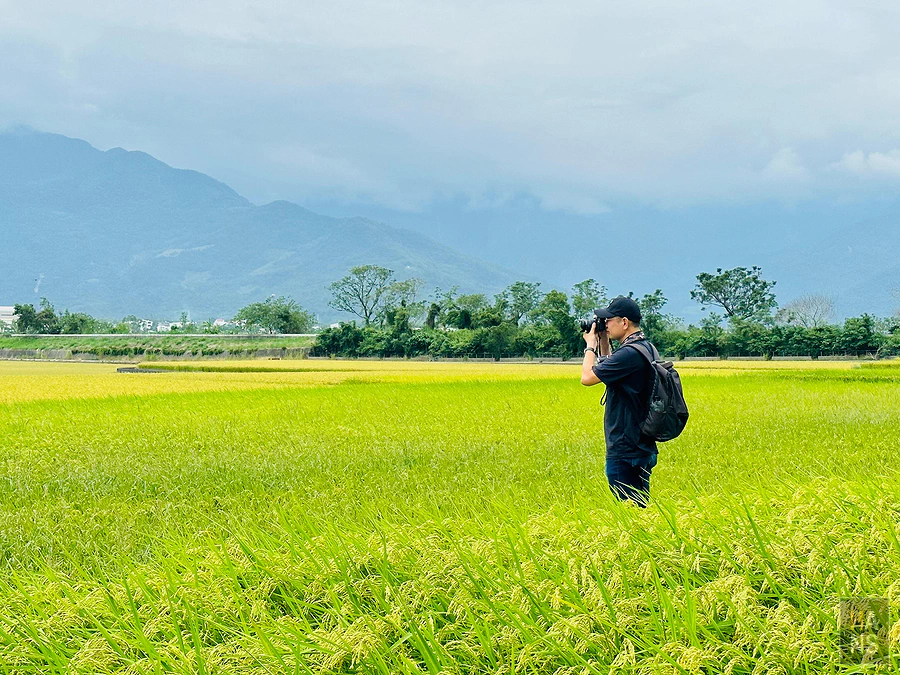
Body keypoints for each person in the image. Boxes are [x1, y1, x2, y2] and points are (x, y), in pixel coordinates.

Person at [580, 296, 658, 506]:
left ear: (624, 322)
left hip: (625, 449)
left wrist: (590, 346)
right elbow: (613, 372)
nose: (606, 324)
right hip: (642, 444)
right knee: (641, 511)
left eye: (609, 320)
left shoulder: (629, 354)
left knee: (629, 515)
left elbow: (587, 378)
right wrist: (604, 341)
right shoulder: (644, 348)